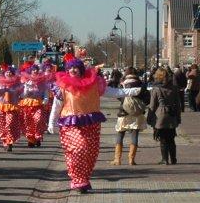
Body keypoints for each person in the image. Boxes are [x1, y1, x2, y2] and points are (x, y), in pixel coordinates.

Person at [48, 55, 141, 192]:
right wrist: (51, 122)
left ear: (81, 69)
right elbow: (56, 106)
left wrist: (132, 91)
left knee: (91, 153)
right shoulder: (63, 85)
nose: (73, 70)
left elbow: (113, 92)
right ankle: (77, 180)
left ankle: (84, 179)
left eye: (75, 68)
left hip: (91, 122)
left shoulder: (93, 82)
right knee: (79, 148)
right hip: (71, 123)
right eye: (70, 68)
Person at [111, 67, 147, 166]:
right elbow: (147, 98)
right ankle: (131, 159)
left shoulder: (122, 84)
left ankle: (117, 159)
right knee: (134, 135)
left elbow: (118, 96)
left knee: (120, 134)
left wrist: (126, 102)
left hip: (124, 112)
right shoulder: (141, 84)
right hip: (137, 113)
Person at [149, 67, 183, 165]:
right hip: (172, 114)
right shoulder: (174, 88)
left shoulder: (156, 89)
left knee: (163, 139)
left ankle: (165, 159)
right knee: (171, 138)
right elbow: (178, 104)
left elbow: (152, 105)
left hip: (160, 116)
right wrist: (178, 117)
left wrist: (150, 118)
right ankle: (173, 159)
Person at [0, 65, 23, 152]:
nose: (8, 73)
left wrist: (25, 87)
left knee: (10, 123)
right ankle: (5, 141)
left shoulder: (17, 83)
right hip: (0, 106)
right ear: (4, 73)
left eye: (10, 72)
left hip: (12, 106)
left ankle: (9, 142)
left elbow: (22, 95)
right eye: (7, 72)